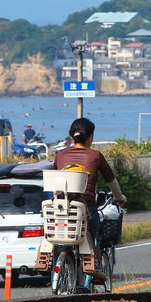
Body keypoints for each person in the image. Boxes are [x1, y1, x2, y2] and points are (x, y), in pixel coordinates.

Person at [53, 117, 127, 281]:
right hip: (87, 208)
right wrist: (119, 197)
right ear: (91, 137)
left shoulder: (60, 156)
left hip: (60, 209)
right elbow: (112, 182)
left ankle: (60, 268)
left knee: (60, 239)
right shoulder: (95, 156)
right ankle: (95, 266)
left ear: (72, 137)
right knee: (93, 235)